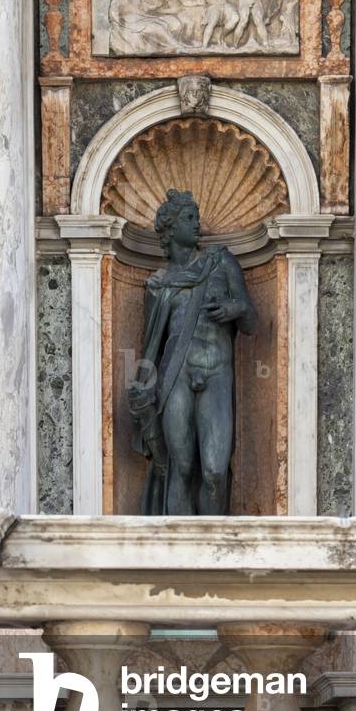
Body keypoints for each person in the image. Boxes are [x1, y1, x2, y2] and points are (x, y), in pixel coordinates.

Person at [129, 189, 257, 515]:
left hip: (217, 372)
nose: (197, 223)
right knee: (180, 467)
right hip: (176, 377)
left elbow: (251, 321)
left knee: (214, 470)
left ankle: (214, 551)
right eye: (189, 218)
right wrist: (143, 389)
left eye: (196, 216)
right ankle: (177, 551)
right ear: (170, 229)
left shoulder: (220, 262)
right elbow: (152, 346)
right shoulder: (160, 284)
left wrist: (233, 308)